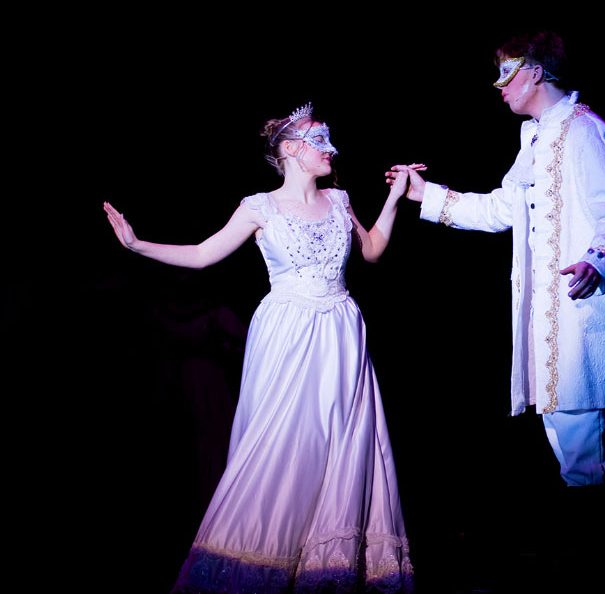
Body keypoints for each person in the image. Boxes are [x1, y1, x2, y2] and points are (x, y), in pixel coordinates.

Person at [104, 102, 419, 593]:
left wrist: (396, 197)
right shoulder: (259, 207)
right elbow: (204, 254)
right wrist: (137, 245)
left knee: (344, 443)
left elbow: (373, 249)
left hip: (341, 330)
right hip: (287, 332)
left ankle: (325, 565)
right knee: (283, 442)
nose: (331, 149)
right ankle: (261, 554)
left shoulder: (340, 200)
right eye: (320, 140)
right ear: (292, 150)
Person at [388, 31, 605, 490]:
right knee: (572, 452)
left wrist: (598, 260)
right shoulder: (538, 138)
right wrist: (427, 196)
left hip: (584, 311)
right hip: (550, 316)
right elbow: (503, 210)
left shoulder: (584, 129)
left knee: (590, 455)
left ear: (535, 73)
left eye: (506, 73)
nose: (499, 86)